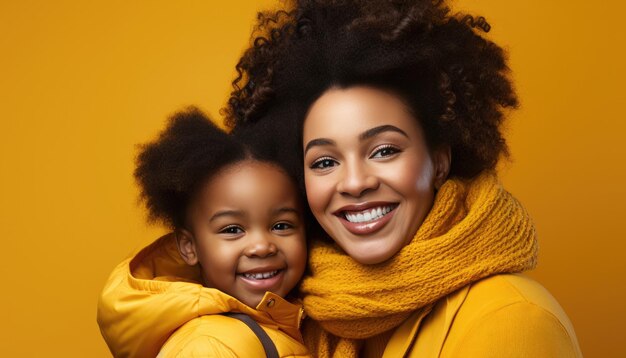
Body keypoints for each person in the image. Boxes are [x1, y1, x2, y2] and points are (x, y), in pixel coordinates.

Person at [225, 0, 583, 356]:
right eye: (324, 162)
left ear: (439, 162)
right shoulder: (300, 314)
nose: (354, 182)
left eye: (384, 151)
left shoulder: (513, 319)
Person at [97, 108, 310, 357]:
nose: (262, 246)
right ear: (190, 247)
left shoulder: (285, 323)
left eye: (281, 225)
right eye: (232, 229)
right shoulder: (210, 346)